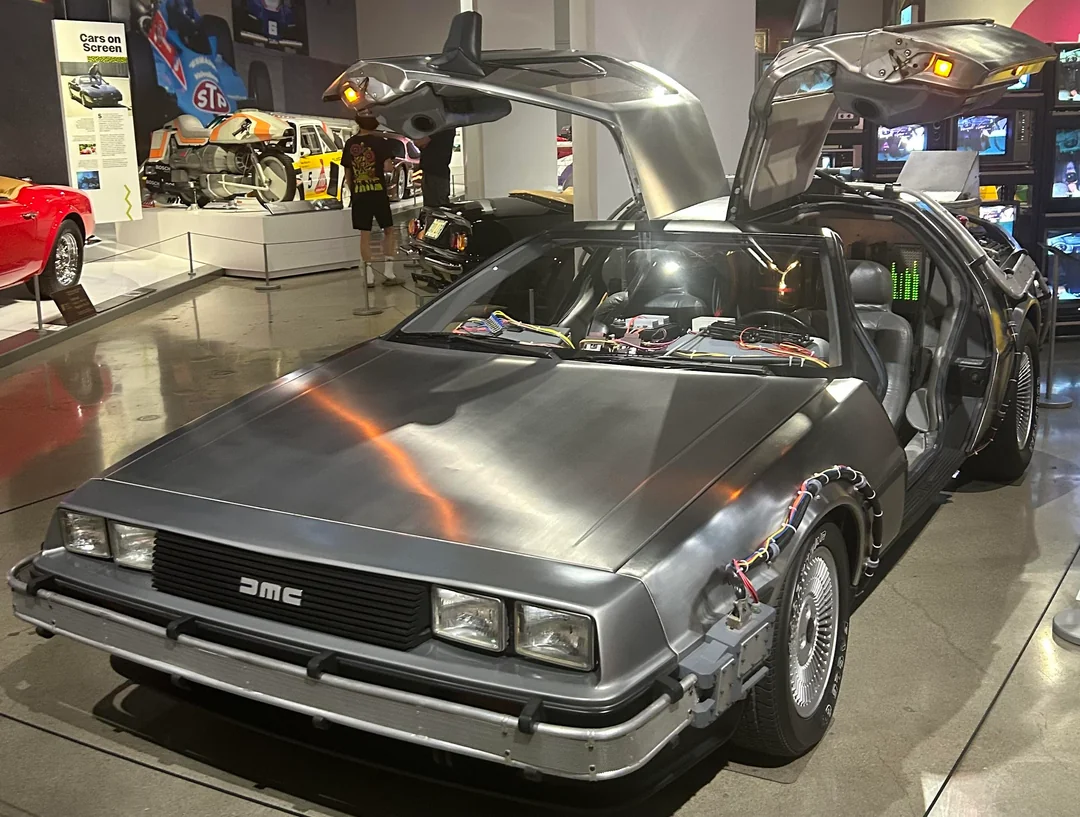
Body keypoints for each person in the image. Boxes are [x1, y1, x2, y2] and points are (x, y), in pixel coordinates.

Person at [342, 114, 403, 287]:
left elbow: (347, 173)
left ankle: (369, 275)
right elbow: (387, 167)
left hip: (360, 194)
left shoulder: (350, 143)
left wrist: (354, 189)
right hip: (378, 192)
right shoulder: (381, 142)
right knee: (388, 230)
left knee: (364, 234)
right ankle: (389, 272)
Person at [416, 128, 456, 208]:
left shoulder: (440, 129)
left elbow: (419, 142)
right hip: (435, 173)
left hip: (436, 174)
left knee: (436, 207)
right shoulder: (443, 129)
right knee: (434, 206)